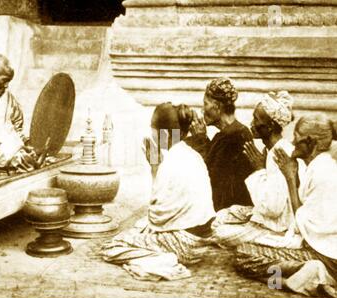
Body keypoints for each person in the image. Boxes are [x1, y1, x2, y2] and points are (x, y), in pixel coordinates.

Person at [101, 103, 216, 281]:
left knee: (112, 246)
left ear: (165, 134)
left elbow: (156, 216)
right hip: (202, 241)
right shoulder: (191, 154)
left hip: (185, 245)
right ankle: (160, 254)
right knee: (140, 226)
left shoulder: (170, 161)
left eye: (153, 129)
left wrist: (155, 166)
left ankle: (165, 261)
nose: (151, 133)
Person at [235, 114, 337, 298]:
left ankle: (294, 280)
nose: (292, 140)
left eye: (296, 136)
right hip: (321, 250)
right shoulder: (319, 165)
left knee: (244, 256)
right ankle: (307, 274)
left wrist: (290, 177)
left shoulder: (323, 172)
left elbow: (303, 224)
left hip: (327, 257)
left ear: (310, 142)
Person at [212, 91, 305, 248]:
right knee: (221, 216)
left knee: (219, 232)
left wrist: (259, 171)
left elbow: (272, 209)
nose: (252, 123)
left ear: (269, 127)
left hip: (277, 227)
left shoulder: (280, 154)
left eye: (256, 119)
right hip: (268, 218)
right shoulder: (273, 149)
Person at [190, 78, 253, 211]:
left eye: (205, 104)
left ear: (217, 107)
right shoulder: (237, 132)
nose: (202, 110)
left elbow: (208, 176)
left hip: (228, 210)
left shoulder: (232, 137)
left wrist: (200, 139)